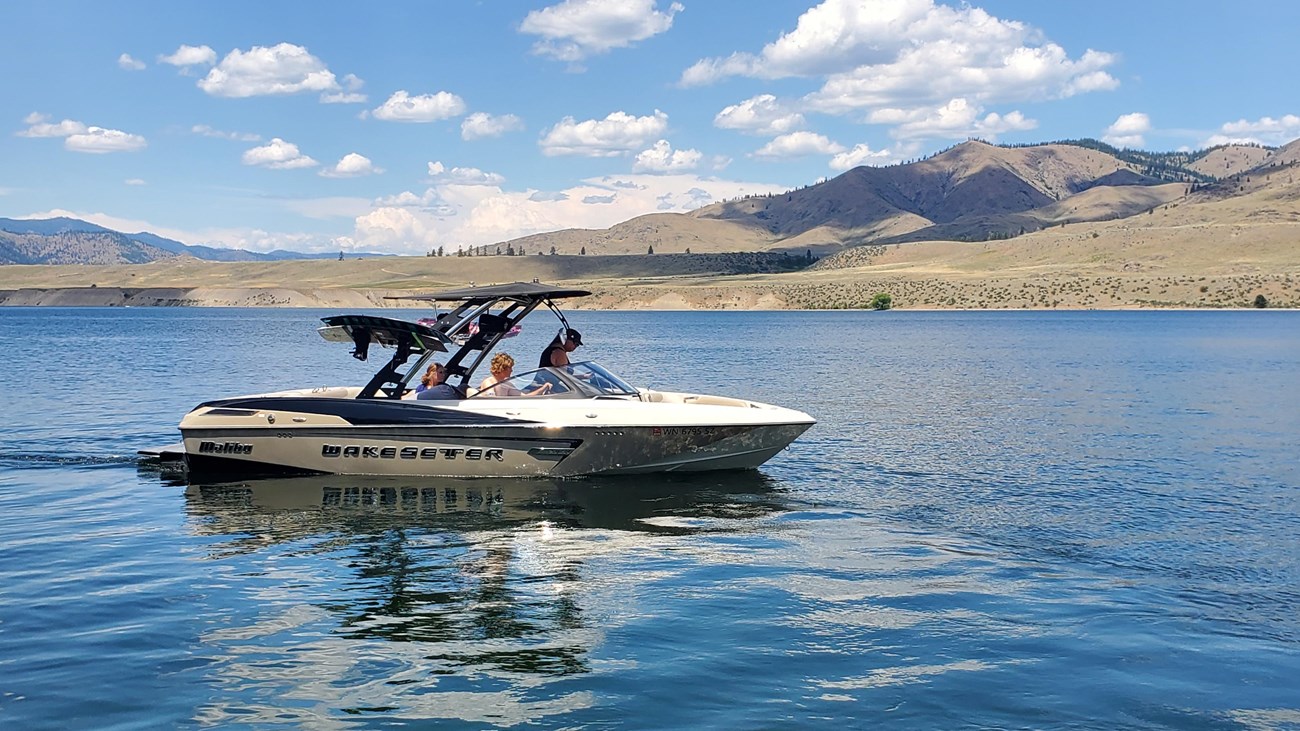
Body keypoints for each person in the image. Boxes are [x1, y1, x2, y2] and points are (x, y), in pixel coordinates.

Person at [478, 353, 551, 397]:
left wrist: (543, 388)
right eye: (509, 368)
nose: (512, 370)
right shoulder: (489, 383)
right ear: (502, 368)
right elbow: (491, 401)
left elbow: (525, 397)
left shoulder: (507, 384)